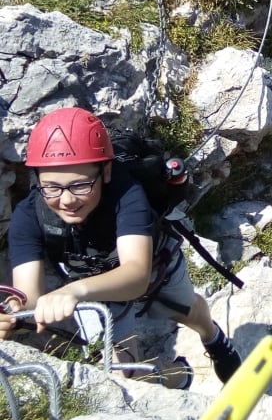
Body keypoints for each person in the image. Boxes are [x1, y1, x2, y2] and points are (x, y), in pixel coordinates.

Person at [0, 107, 242, 389]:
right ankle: (181, 375)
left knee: (187, 311)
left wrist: (72, 291)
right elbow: (28, 295)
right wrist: (12, 311)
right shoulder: (28, 215)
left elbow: (136, 274)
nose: (66, 200)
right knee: (125, 374)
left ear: (106, 172)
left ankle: (212, 337)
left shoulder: (126, 194)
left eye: (80, 185)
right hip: (92, 285)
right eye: (51, 187)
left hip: (150, 266)